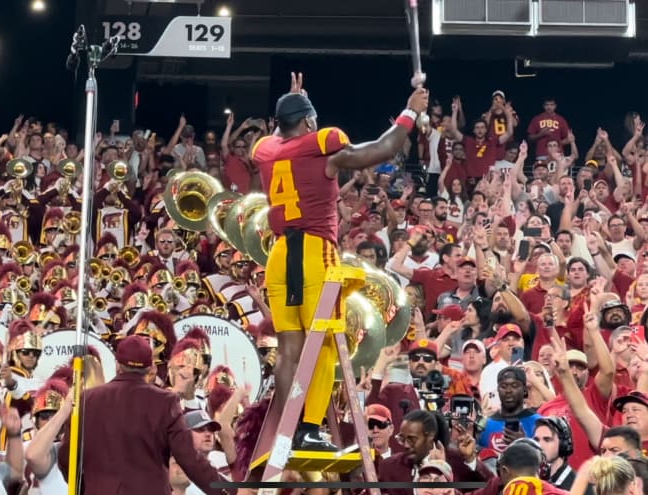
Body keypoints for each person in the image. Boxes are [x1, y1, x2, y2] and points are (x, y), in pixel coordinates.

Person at [251, 72, 428, 450]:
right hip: (315, 250)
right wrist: (409, 113)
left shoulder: (267, 150)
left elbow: (290, 139)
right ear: (310, 121)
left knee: (289, 348)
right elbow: (382, 148)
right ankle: (309, 427)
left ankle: (287, 427)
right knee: (327, 343)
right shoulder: (324, 148)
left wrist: (294, 102)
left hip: (280, 253)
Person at [57, 335, 222, 494]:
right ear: (150, 368)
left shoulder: (86, 399)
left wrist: (90, 488)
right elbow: (189, 458)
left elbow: (67, 459)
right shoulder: (165, 402)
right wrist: (230, 490)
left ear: (117, 365)